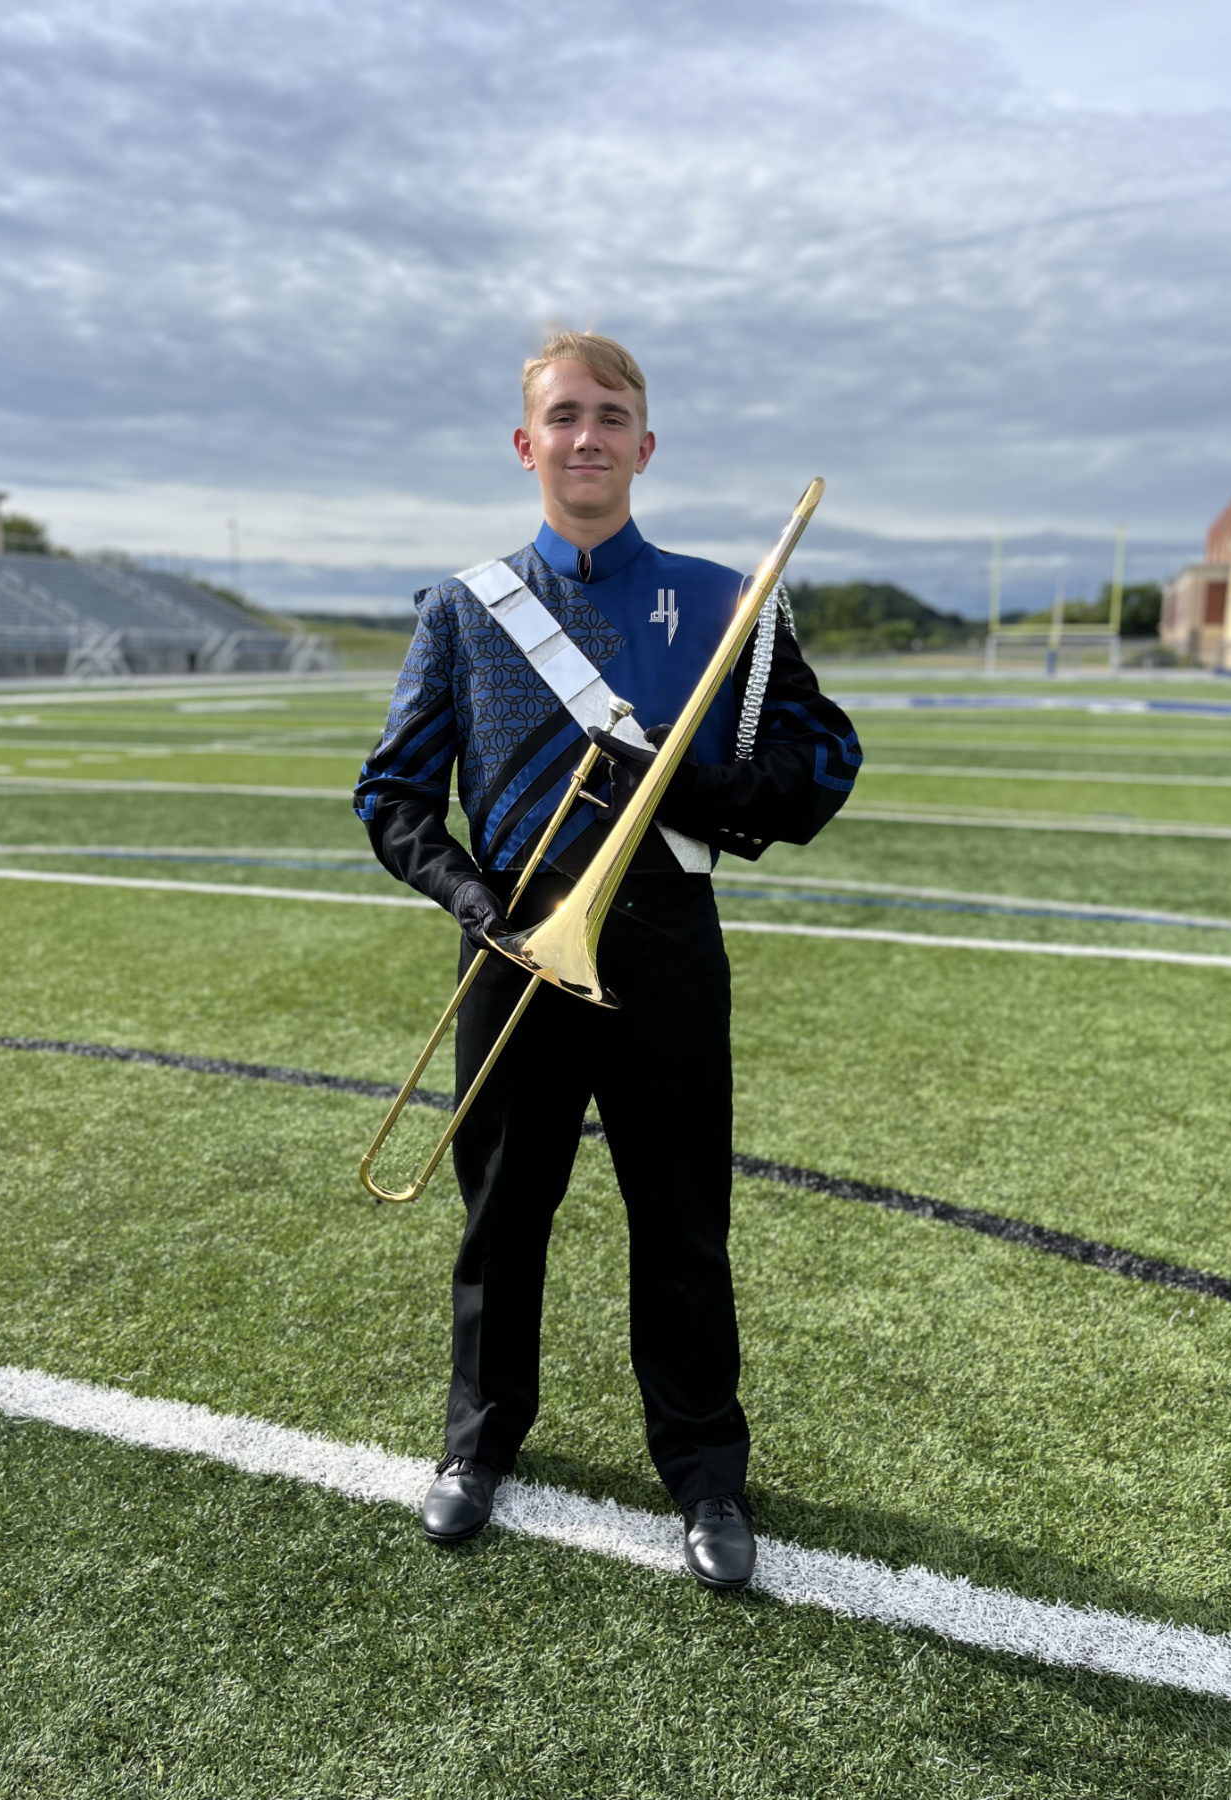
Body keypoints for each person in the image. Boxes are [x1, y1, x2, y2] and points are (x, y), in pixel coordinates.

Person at [354, 332, 860, 1590]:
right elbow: (394, 795)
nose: (589, 437)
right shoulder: (465, 610)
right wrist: (478, 903)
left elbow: (823, 764)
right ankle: (479, 1444)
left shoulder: (730, 597)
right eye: (564, 417)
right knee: (501, 1219)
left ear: (646, 443)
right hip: (514, 952)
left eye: (613, 416)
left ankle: (704, 1473)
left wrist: (702, 785)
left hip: (669, 947)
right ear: (528, 445)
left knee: (684, 1228)